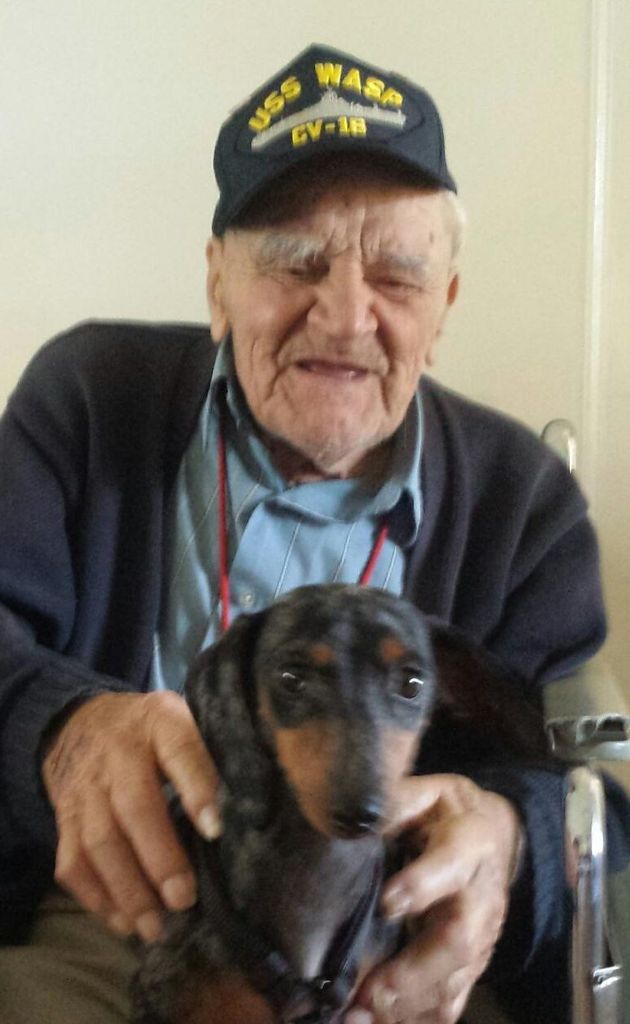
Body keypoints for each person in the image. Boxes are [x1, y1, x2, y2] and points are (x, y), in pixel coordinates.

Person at [0, 43, 627, 1024]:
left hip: (385, 925)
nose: (344, 316)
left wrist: (516, 836)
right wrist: (57, 727)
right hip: (124, 900)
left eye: (398, 276)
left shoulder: (523, 502)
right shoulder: (85, 401)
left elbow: (592, 786)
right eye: (295, 261)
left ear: (444, 306)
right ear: (217, 283)